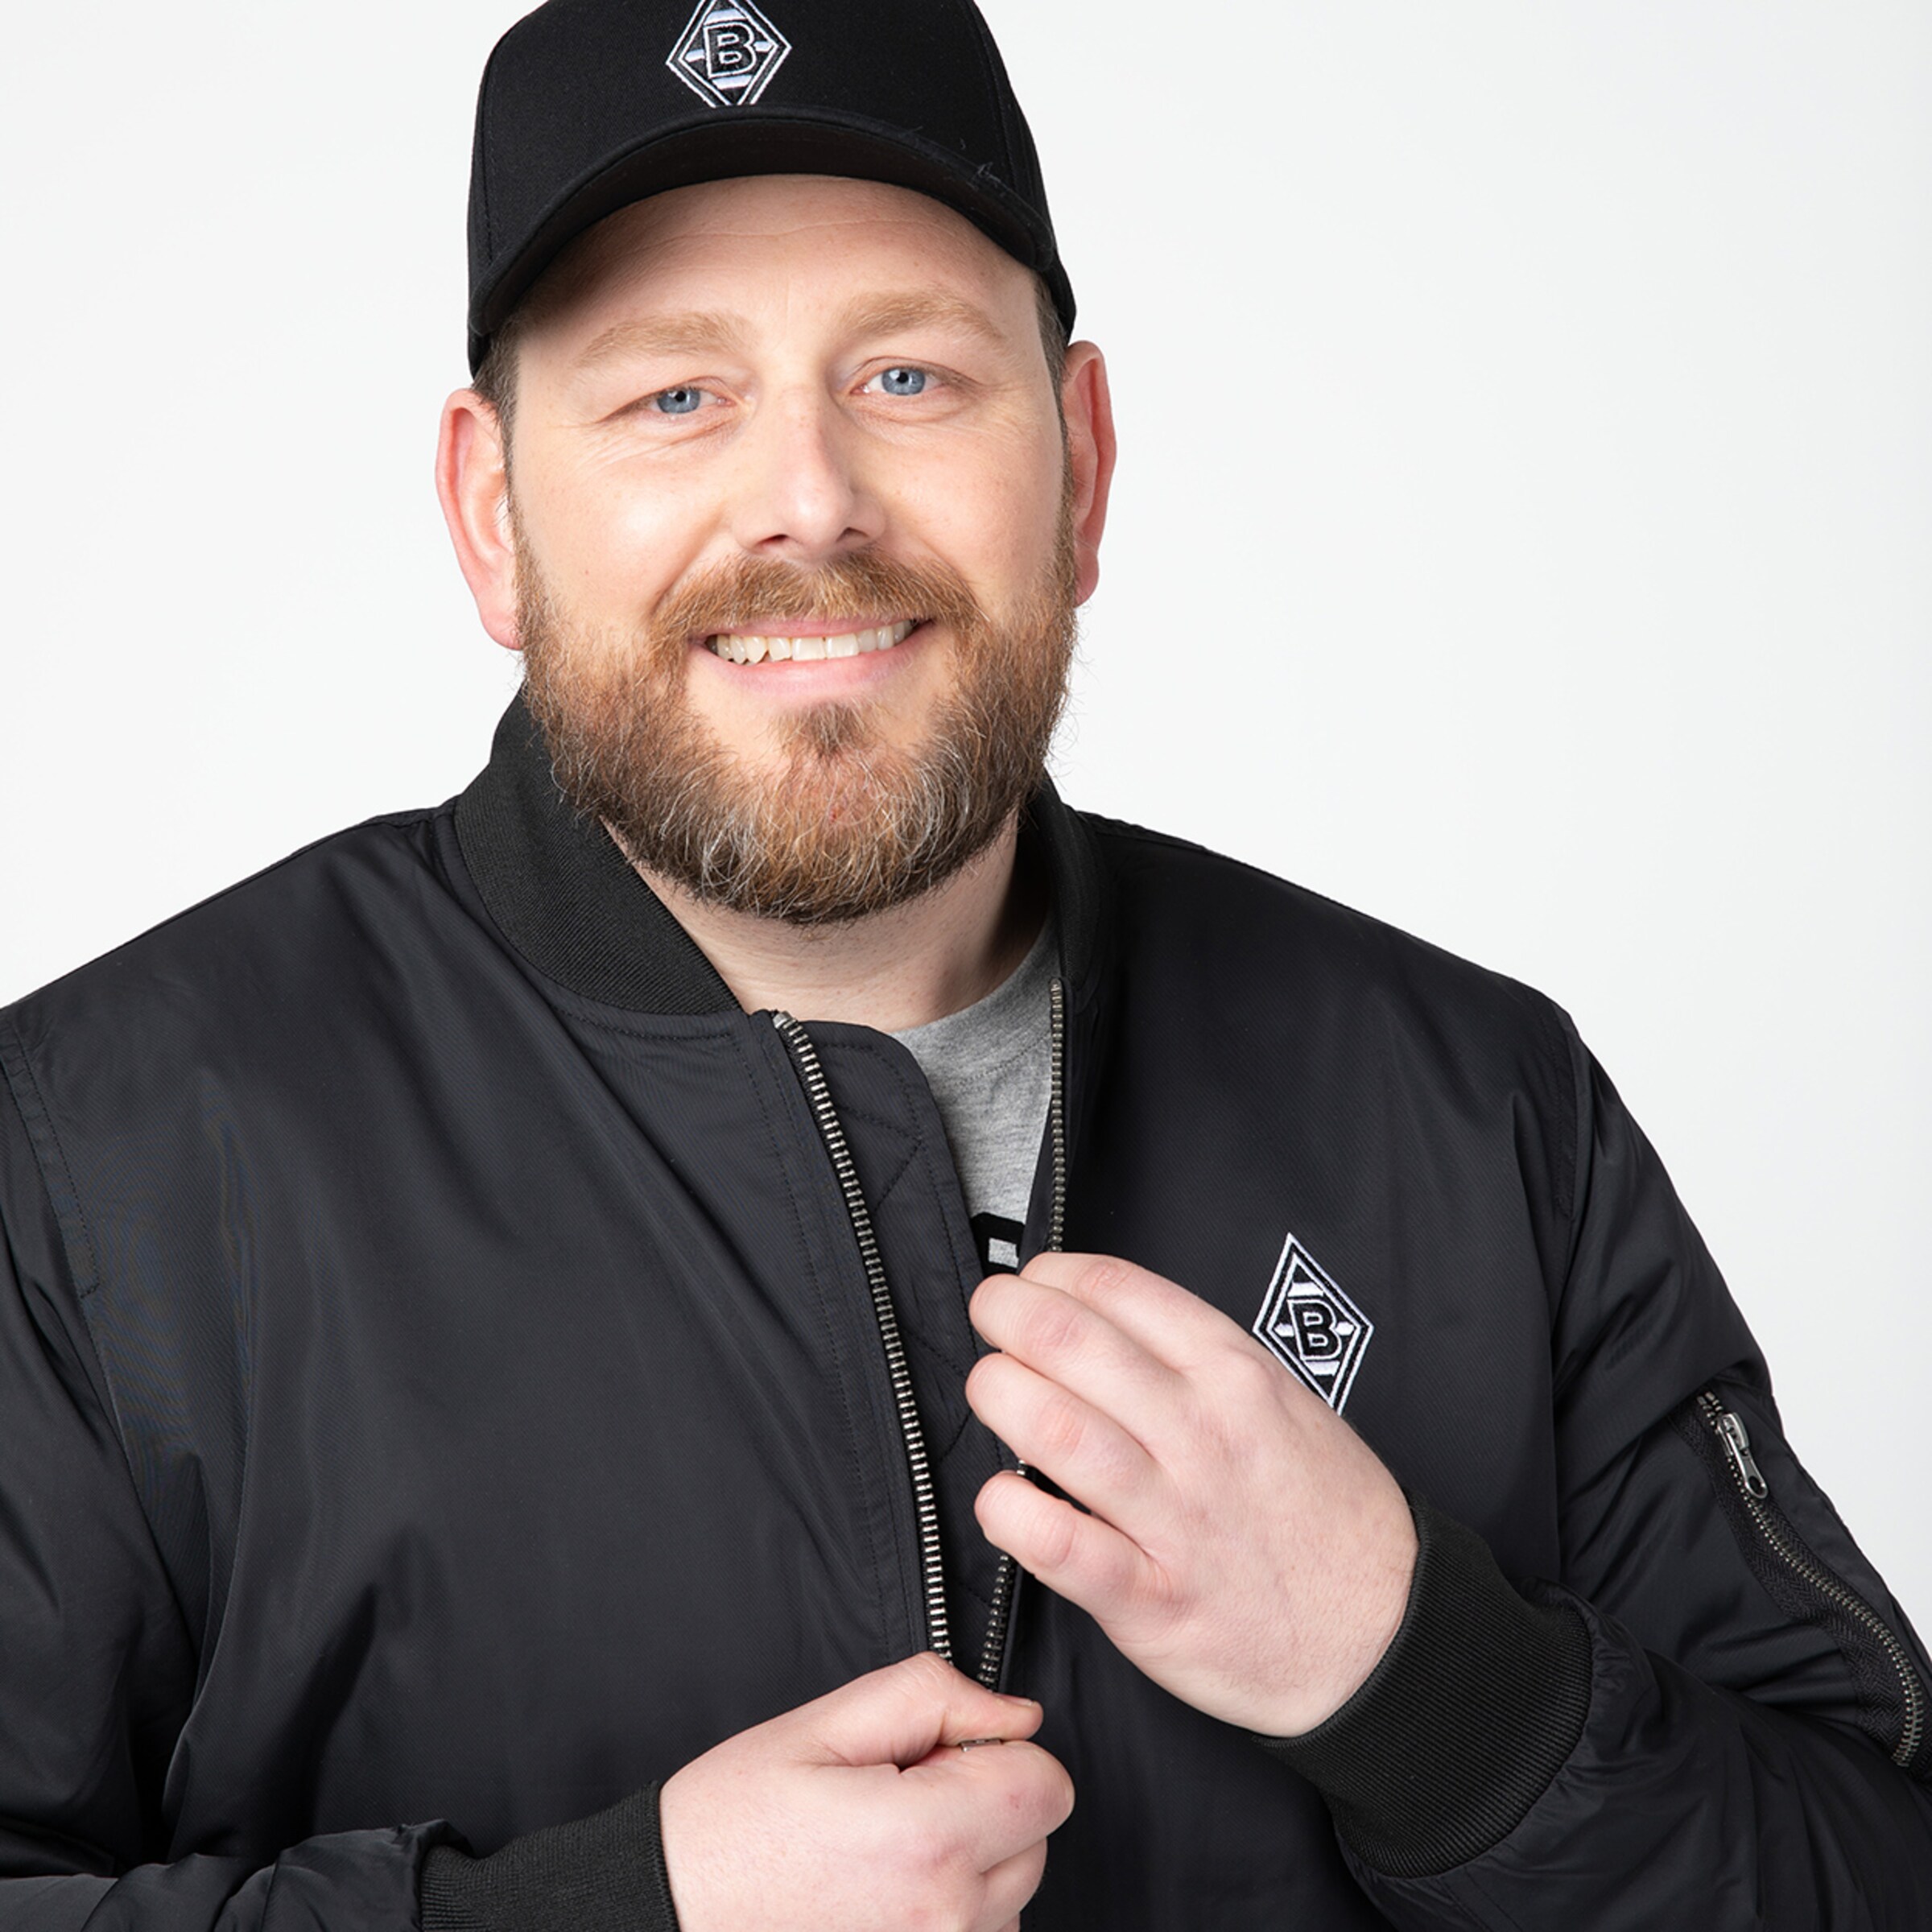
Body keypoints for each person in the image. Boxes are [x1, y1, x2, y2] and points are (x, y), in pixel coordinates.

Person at [1, 0, 1927, 1926]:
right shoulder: (98, 1168)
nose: (812, 501)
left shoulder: (1478, 1110)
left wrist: (1434, 1684)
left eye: (910, 377)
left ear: (1079, 461)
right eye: (674, 395)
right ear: (493, 514)